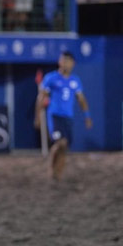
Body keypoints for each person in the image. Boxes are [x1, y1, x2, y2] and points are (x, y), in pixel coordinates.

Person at [35, 51, 93, 181]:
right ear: (59, 62)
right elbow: (41, 97)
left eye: (68, 61)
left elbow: (81, 100)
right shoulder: (51, 78)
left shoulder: (75, 81)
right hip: (54, 116)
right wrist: (38, 116)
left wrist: (87, 116)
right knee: (60, 143)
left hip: (68, 118)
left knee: (65, 147)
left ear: (73, 63)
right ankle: (51, 168)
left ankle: (58, 175)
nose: (65, 63)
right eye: (63, 60)